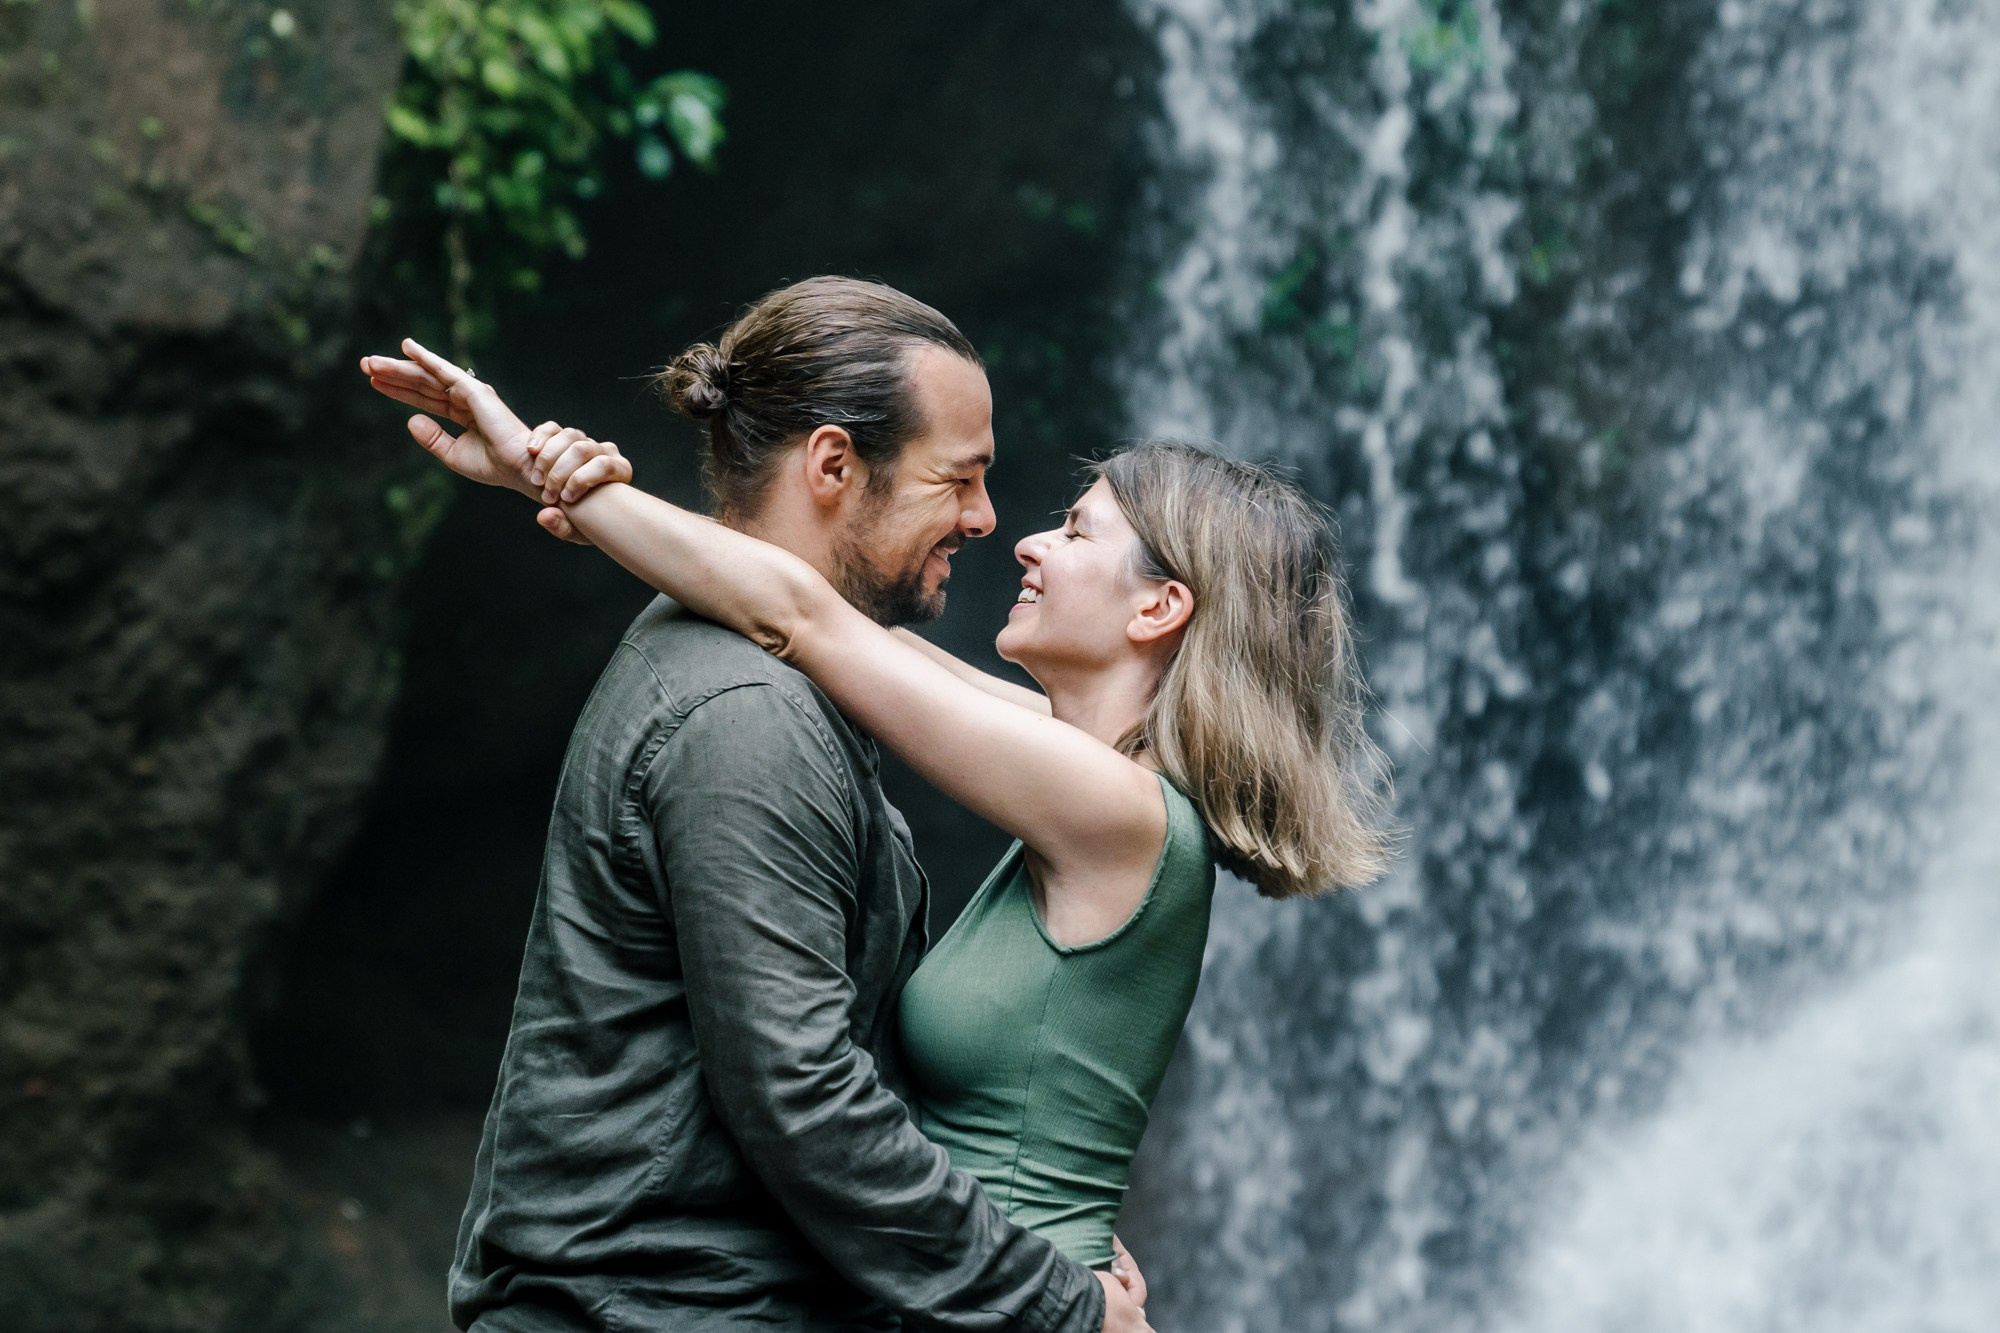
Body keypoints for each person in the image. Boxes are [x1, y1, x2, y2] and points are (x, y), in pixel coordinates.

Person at [364, 279, 1146, 1332]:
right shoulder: (747, 712)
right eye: (958, 477)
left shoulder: (789, 671)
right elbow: (804, 1102)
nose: (984, 517)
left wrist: (1035, 1223)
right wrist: (1057, 1304)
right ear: (832, 464)